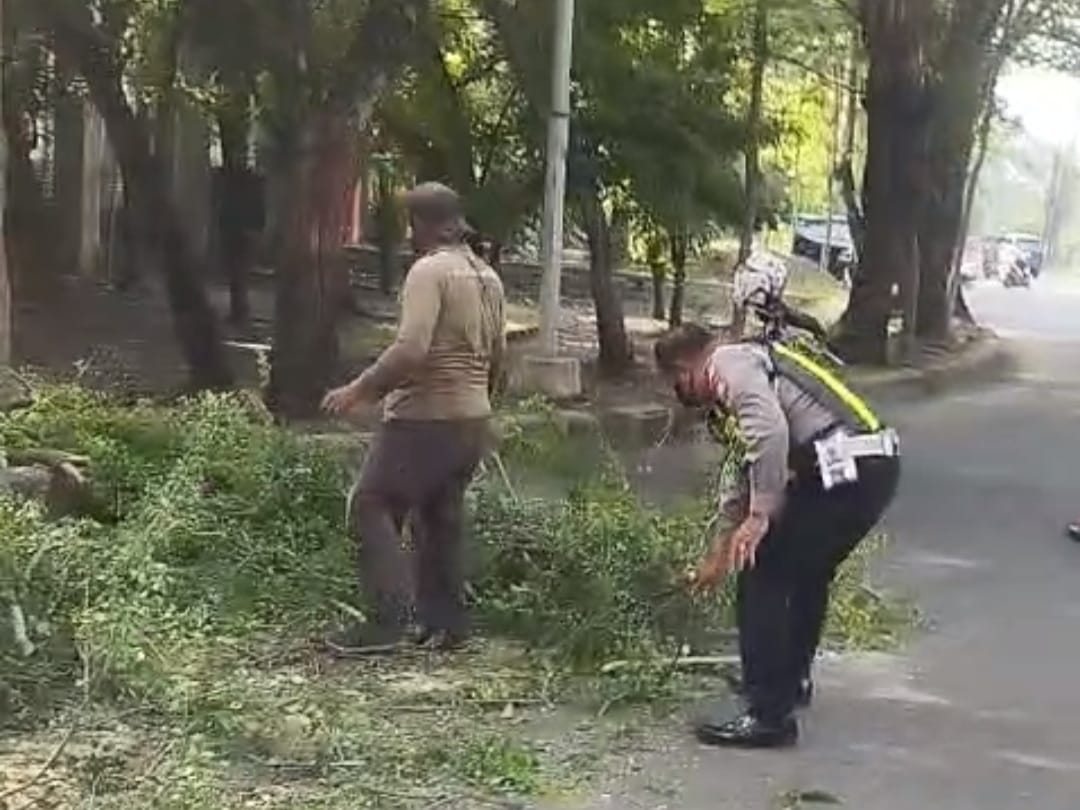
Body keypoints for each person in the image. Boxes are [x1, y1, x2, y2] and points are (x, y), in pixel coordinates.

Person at [653, 322, 900, 748]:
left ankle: (768, 715)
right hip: (869, 469)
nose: (683, 397)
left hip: (845, 472)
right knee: (806, 574)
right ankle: (788, 682)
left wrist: (759, 517)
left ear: (685, 367)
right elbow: (748, 467)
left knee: (763, 572)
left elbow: (769, 435)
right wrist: (720, 549)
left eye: (677, 385)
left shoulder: (727, 363)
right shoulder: (747, 367)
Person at [321, 182, 506, 654]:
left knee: (371, 502)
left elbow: (411, 349)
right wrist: (479, 408)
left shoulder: (430, 271)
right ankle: (447, 625)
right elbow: (499, 357)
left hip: (425, 416)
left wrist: (358, 389)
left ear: (421, 225)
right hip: (471, 418)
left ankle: (387, 621)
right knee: (438, 517)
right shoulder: (487, 275)